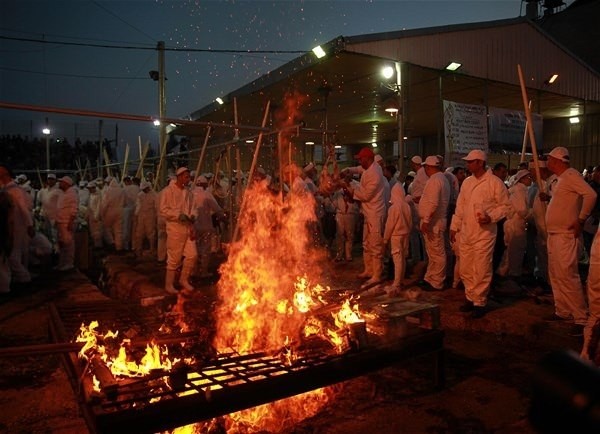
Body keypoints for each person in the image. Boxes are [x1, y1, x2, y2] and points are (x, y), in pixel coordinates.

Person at [450, 150, 511, 318]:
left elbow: (506, 206)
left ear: (480, 163)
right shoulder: (467, 183)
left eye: (471, 162)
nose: (467, 165)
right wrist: (454, 226)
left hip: (484, 234)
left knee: (482, 267)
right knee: (466, 267)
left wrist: (491, 217)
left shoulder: (495, 183)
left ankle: (480, 302)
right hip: (467, 232)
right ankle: (470, 297)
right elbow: (460, 206)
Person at [544, 146, 596, 336]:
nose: (547, 162)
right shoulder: (560, 180)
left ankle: (581, 317)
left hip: (565, 236)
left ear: (558, 161)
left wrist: (581, 219)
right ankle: (563, 310)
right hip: (555, 234)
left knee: (567, 275)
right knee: (556, 274)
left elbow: (591, 195)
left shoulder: (572, 175)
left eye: (549, 159)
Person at [346, 147, 387, 287]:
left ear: (368, 159)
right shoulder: (371, 168)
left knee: (375, 245)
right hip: (368, 213)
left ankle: (377, 274)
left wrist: (347, 187)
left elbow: (365, 195)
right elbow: (359, 169)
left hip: (375, 214)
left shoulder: (375, 173)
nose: (359, 161)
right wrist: (349, 170)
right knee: (366, 243)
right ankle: (368, 270)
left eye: (361, 159)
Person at [159, 167, 197, 293]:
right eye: (186, 177)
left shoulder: (189, 193)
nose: (188, 179)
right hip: (175, 229)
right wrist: (177, 215)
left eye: (189, 177)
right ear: (179, 176)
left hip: (187, 228)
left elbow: (194, 208)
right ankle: (168, 285)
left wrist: (193, 216)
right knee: (174, 258)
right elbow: (163, 210)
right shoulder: (167, 191)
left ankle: (183, 280)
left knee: (192, 255)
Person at [418, 156, 451, 291]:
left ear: (428, 167)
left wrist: (426, 220)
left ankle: (436, 281)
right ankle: (430, 278)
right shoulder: (442, 179)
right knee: (433, 253)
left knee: (437, 253)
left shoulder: (435, 180)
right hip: (436, 221)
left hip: (434, 223)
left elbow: (433, 203)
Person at [0, 165, 34, 284]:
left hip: (17, 226)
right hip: (8, 226)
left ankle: (24, 278)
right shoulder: (5, 189)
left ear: (6, 175)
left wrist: (29, 225)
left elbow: (24, 209)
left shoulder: (16, 190)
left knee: (12, 256)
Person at [498, 169, 532, 279]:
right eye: (528, 178)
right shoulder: (519, 191)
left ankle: (503, 272)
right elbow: (522, 210)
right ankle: (514, 274)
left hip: (512, 223)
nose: (530, 180)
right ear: (522, 179)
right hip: (516, 223)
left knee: (510, 251)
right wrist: (532, 213)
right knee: (516, 250)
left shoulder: (517, 190)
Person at [192, 175, 226, 278]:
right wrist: (224, 217)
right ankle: (203, 272)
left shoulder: (190, 193)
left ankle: (194, 270)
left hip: (194, 227)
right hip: (205, 226)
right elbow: (217, 209)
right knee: (205, 250)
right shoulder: (207, 194)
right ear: (204, 184)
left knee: (195, 249)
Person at [383, 183, 412, 296]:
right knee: (403, 259)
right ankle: (400, 280)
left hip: (396, 236)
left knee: (397, 259)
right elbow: (410, 222)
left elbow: (389, 225)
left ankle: (396, 283)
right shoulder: (407, 206)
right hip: (405, 234)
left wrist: (385, 239)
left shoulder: (394, 208)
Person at [55, 176, 78, 271]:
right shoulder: (64, 193)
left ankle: (69, 264)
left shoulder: (72, 194)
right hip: (61, 222)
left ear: (66, 183)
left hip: (66, 222)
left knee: (68, 244)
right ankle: (62, 264)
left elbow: (74, 209)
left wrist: (70, 222)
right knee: (62, 244)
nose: (60, 184)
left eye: (61, 182)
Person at [332, 182, 359, 262]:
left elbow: (357, 202)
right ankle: (339, 254)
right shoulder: (338, 192)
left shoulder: (355, 186)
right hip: (340, 214)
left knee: (349, 235)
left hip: (350, 214)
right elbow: (334, 204)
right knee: (339, 235)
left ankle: (348, 255)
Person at [133, 181, 157, 259]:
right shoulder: (140, 195)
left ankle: (151, 249)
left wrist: (157, 217)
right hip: (141, 215)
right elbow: (138, 205)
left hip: (150, 215)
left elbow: (156, 207)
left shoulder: (154, 195)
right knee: (139, 233)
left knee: (150, 233)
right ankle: (138, 250)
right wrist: (136, 215)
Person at [100, 177, 124, 251]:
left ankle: (111, 243)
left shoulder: (108, 191)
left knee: (106, 228)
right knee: (118, 230)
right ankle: (119, 247)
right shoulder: (121, 190)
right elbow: (124, 202)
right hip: (120, 211)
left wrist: (102, 214)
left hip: (110, 211)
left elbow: (105, 204)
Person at [86, 181, 103, 249]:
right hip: (91, 216)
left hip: (96, 217)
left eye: (90, 188)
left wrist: (97, 216)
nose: (89, 190)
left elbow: (99, 207)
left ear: (93, 188)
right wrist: (87, 216)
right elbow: (89, 206)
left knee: (97, 232)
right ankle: (95, 245)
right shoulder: (90, 196)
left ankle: (98, 246)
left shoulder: (98, 196)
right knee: (92, 231)